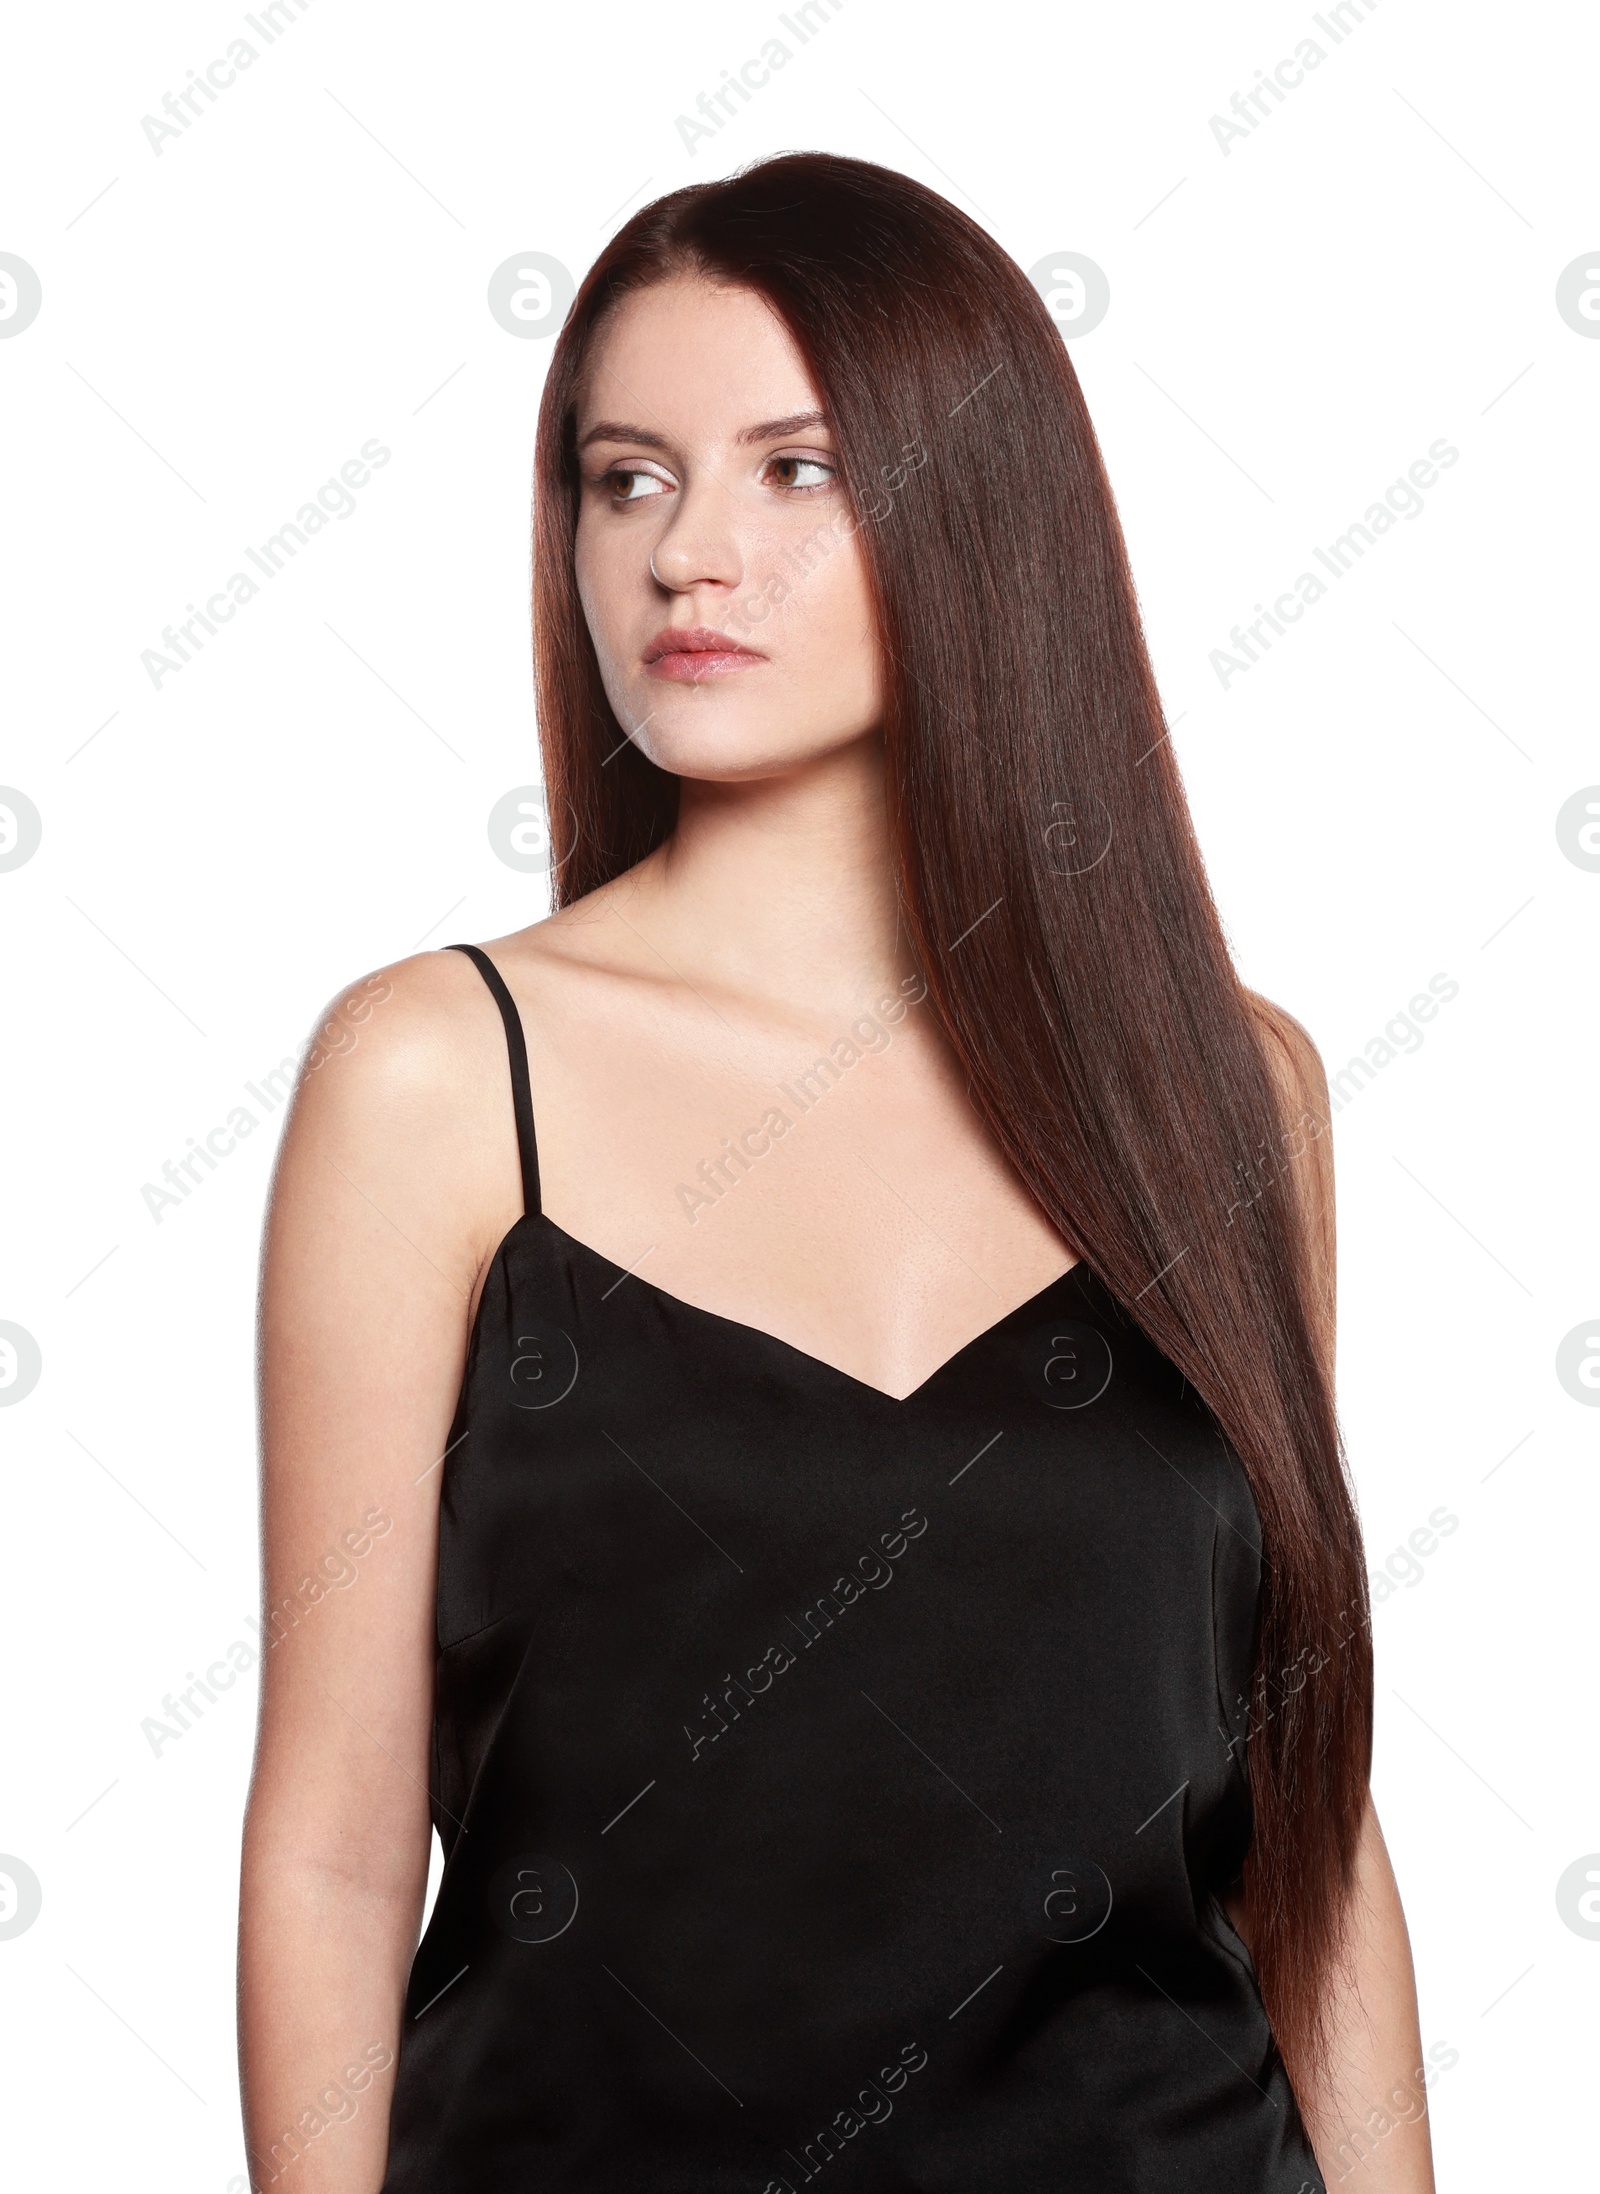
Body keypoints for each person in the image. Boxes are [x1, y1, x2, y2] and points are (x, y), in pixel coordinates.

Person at [239, 153, 1435, 2191]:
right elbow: (336, 1853)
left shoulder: (1229, 1092)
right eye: (626, 478)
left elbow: (1306, 1844)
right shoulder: (436, 1077)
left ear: (977, 507)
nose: (688, 552)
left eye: (795, 469)